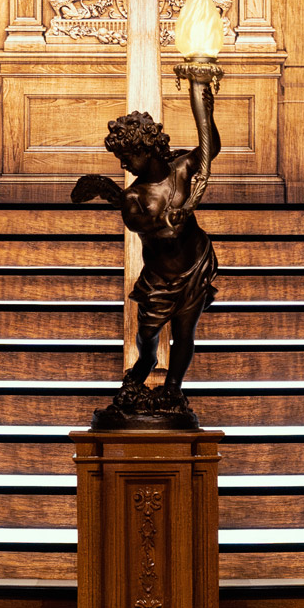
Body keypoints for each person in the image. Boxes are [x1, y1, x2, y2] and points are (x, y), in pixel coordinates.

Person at [70, 59, 223, 425]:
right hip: (159, 277)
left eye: (128, 156)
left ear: (148, 148)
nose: (124, 164)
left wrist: (200, 96)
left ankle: (173, 386)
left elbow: (210, 147)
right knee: (148, 332)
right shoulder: (133, 198)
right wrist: (175, 217)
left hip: (195, 264)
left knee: (186, 331)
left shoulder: (185, 169)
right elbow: (155, 231)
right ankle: (147, 361)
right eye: (121, 159)